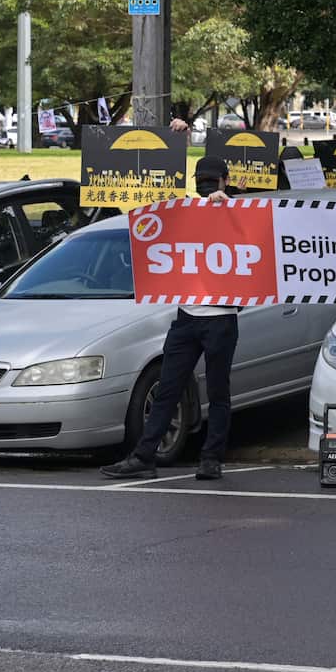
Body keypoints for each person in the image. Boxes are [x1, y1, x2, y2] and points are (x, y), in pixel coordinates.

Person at [101, 150, 244, 482]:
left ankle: (211, 459)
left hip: (221, 317)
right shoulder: (187, 212)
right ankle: (144, 455)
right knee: (168, 387)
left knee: (219, 390)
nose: (208, 188)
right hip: (187, 315)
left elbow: (255, 230)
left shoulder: (238, 212)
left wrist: (231, 202)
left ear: (224, 181)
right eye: (203, 183)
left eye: (213, 182)